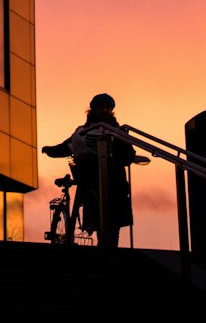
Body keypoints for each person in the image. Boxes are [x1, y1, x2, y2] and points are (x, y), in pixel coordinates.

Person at [42, 93, 138, 247]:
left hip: (113, 180)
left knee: (112, 220)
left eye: (108, 108)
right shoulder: (84, 131)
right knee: (101, 215)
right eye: (101, 107)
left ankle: (109, 248)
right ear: (93, 109)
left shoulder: (118, 131)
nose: (104, 110)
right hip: (95, 179)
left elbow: (128, 154)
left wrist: (121, 157)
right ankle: (106, 248)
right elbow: (68, 145)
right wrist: (51, 150)